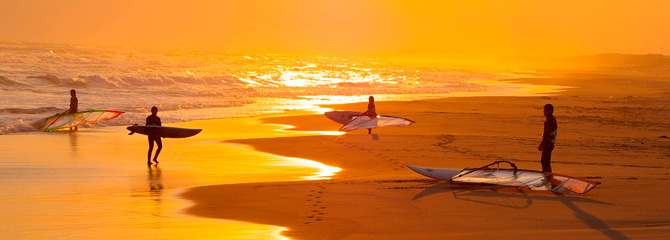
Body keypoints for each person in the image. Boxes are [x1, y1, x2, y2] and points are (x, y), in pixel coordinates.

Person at [538, 104, 557, 172]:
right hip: (550, 143)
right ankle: (547, 175)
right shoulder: (551, 119)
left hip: (548, 143)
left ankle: (547, 176)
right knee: (545, 161)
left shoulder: (550, 121)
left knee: (545, 161)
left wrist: (542, 144)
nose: (544, 112)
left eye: (545, 110)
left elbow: (547, 134)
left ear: (550, 111)